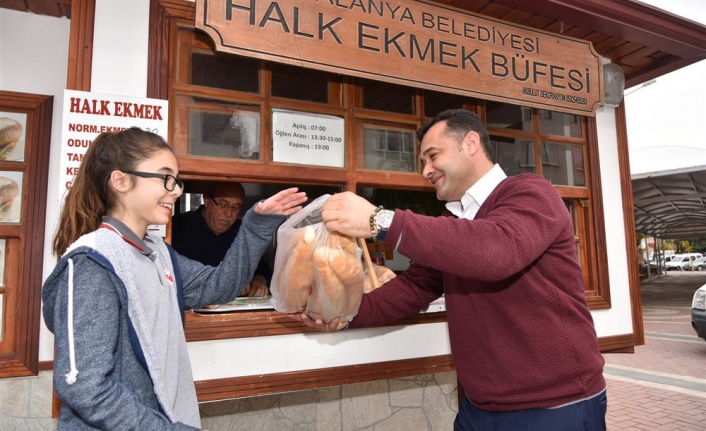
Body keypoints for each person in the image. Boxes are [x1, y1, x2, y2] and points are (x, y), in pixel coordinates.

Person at [294, 109, 607, 431]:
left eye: (433, 156)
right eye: (422, 163)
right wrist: (341, 314)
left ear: (470, 143)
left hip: (554, 404)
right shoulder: (454, 222)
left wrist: (380, 220)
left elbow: (497, 252)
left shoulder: (531, 192)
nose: (426, 171)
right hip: (480, 406)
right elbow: (413, 287)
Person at [42, 127, 307, 430]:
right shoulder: (93, 263)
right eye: (166, 178)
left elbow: (218, 286)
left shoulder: (158, 252)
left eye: (177, 180)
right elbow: (86, 388)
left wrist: (256, 225)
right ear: (121, 181)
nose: (177, 190)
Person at [171, 182, 271, 297]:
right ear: (207, 200)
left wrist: (258, 281)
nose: (229, 214)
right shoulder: (177, 227)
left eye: (236, 208)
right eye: (223, 205)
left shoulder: (243, 231)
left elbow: (262, 270)